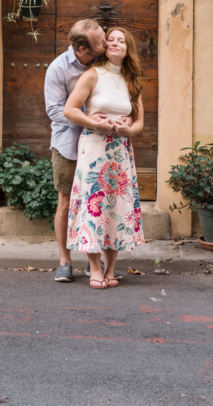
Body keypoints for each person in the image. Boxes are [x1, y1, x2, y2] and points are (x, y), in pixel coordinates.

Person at [62, 26, 146, 289]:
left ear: (127, 48)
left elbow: (140, 122)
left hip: (120, 151)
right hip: (95, 149)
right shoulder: (92, 75)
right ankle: (95, 268)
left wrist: (129, 129)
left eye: (121, 41)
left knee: (116, 208)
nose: (115, 43)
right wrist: (94, 123)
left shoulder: (133, 80)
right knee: (94, 206)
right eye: (110, 39)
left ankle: (111, 269)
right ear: (105, 46)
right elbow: (69, 110)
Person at [43, 18, 106, 283]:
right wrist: (87, 119)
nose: (105, 44)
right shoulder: (59, 68)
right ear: (82, 48)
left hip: (101, 145)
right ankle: (65, 261)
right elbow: (55, 110)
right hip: (69, 145)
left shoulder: (106, 64)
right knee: (66, 202)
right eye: (100, 42)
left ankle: (96, 256)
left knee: (99, 202)